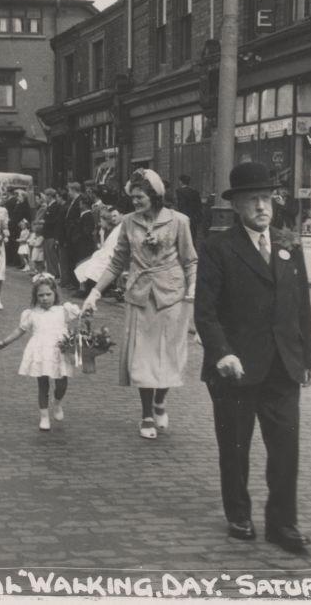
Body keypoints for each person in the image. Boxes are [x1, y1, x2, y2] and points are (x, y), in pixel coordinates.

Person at [193, 161, 311, 553]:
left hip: (283, 365)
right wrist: (222, 354)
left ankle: (282, 523)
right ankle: (239, 514)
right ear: (237, 206)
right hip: (236, 369)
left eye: (267, 199)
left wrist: (309, 358)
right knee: (235, 447)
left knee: (286, 447)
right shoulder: (218, 248)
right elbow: (206, 311)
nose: (263, 207)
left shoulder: (287, 245)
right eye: (253, 201)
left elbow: (302, 307)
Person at [82, 169, 197, 439]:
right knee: (142, 357)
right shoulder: (128, 223)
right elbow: (117, 261)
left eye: (140, 196)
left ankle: (160, 400)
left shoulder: (179, 221)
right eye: (132, 197)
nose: (135, 202)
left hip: (172, 296)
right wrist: (95, 292)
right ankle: (146, 414)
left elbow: (190, 259)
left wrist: (193, 286)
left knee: (169, 356)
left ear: (155, 195)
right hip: (139, 295)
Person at [0, 273, 80, 431]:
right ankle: (44, 416)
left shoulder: (63, 311)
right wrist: (5, 342)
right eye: (41, 295)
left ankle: (58, 402)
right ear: (35, 296)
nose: (45, 298)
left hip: (59, 351)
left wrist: (88, 313)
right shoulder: (31, 314)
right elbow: (20, 330)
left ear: (55, 293)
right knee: (42, 384)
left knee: (62, 382)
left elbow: (81, 317)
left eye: (48, 294)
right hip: (40, 352)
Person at [60, 182, 95, 292]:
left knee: (81, 264)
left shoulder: (87, 215)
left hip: (82, 245)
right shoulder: (82, 214)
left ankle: (81, 287)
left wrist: (75, 236)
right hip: (77, 243)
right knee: (77, 263)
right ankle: (78, 286)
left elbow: (85, 231)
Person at [41, 188, 63, 279]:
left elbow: (55, 221)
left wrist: (45, 221)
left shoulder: (55, 206)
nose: (45, 197)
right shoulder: (49, 206)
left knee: (52, 255)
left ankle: (54, 273)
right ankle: (51, 272)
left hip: (51, 235)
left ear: (50, 196)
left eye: (46, 195)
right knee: (48, 255)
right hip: (47, 234)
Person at [176, 174, 203, 242]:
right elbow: (199, 205)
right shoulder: (195, 191)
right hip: (193, 216)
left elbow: (181, 205)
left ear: (181, 182)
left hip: (184, 215)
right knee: (193, 234)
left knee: (183, 235)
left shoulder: (179, 191)